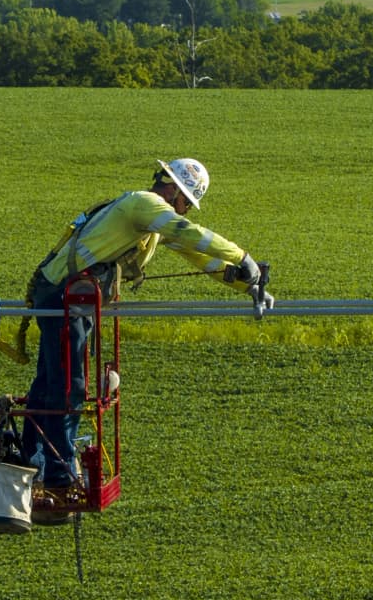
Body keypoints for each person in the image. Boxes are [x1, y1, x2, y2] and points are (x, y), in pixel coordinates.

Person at [22, 158, 269, 491]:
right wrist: (242, 256)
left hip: (72, 300)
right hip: (62, 298)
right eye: (186, 203)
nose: (186, 212)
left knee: (52, 381)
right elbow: (189, 233)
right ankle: (59, 470)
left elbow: (201, 257)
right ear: (173, 190)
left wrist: (249, 286)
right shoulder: (144, 204)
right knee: (69, 386)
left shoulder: (153, 224)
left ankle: (31, 456)